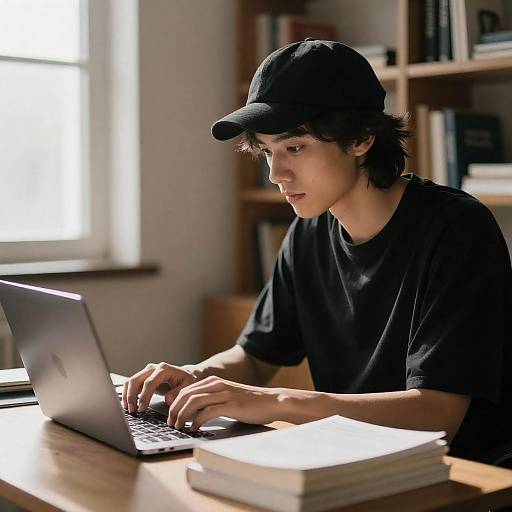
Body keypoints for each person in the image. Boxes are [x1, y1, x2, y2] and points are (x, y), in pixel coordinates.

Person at [123, 39, 512, 462]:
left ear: (361, 138)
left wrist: (279, 403)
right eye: (267, 152)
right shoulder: (308, 233)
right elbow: (254, 357)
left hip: (460, 474)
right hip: (351, 461)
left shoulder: (456, 229)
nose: (276, 173)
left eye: (294, 148)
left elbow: (439, 414)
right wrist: (195, 377)